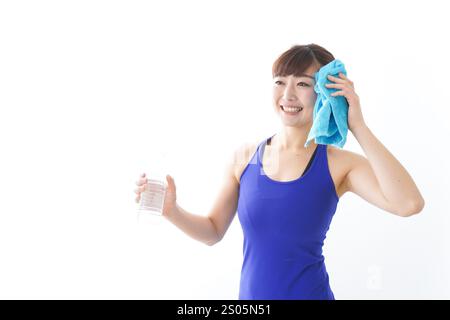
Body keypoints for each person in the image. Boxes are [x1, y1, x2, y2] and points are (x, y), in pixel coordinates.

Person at [134, 43, 425, 300]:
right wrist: (170, 210)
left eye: (303, 84)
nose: (288, 94)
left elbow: (408, 204)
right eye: (280, 81)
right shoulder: (244, 158)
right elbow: (212, 231)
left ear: (325, 92)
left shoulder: (338, 164)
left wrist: (357, 126)